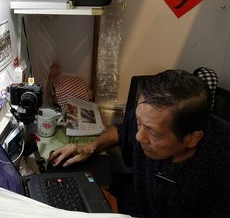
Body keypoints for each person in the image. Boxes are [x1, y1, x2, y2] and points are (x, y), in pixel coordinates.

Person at [49, 70, 230, 217]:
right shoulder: (149, 116)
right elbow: (121, 131)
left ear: (192, 138)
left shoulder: (221, 162)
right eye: (138, 122)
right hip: (132, 204)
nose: (138, 137)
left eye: (153, 133)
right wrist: (90, 147)